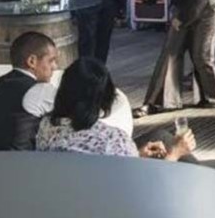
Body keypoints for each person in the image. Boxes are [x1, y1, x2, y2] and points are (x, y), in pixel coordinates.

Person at [36, 57, 196, 159]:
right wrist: (174, 153)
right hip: (107, 201)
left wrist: (136, 155)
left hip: (64, 196)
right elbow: (141, 188)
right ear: (105, 99)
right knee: (173, 146)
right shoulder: (113, 139)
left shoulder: (45, 127)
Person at [0, 32, 59, 151]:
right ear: (32, 61)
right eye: (51, 61)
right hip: (20, 161)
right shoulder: (40, 91)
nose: (55, 67)